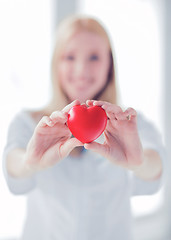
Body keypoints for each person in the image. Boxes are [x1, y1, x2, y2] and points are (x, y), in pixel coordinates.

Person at [2, 14, 165, 240]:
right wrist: (29, 161)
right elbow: (13, 163)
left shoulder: (130, 124)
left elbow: (156, 167)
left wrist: (139, 162)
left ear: (110, 65)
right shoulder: (28, 123)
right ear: (55, 65)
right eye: (69, 57)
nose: (81, 70)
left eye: (94, 57)